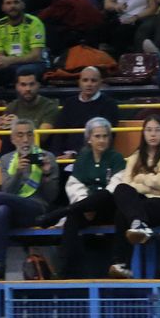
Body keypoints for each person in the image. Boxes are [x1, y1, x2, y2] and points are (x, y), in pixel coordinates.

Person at [0, 118, 58, 281]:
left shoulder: (47, 157)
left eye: (29, 135)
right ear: (13, 139)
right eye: (20, 135)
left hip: (37, 209)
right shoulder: (6, 160)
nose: (25, 139)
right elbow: (8, 192)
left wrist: (46, 174)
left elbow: (51, 197)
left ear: (33, 136)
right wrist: (17, 173)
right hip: (14, 211)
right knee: (2, 210)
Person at [106, 114, 160, 274]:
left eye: (157, 130)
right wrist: (152, 186)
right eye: (149, 130)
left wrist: (143, 179)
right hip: (141, 204)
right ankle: (122, 264)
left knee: (127, 211)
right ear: (143, 133)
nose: (153, 134)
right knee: (120, 191)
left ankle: (123, 260)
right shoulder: (135, 157)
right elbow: (128, 184)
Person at [54, 117, 125, 279]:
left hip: (109, 208)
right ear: (89, 139)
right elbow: (74, 185)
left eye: (105, 136)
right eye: (97, 136)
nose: (101, 140)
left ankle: (116, 266)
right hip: (86, 209)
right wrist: (85, 204)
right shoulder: (83, 158)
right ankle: (63, 269)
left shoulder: (117, 158)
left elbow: (116, 186)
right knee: (72, 217)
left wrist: (92, 205)